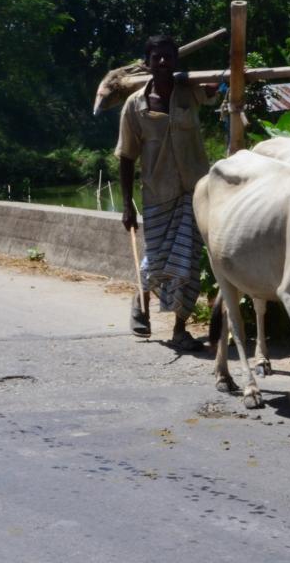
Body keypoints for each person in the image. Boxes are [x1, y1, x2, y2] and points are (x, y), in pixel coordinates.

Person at [115, 34, 219, 351]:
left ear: (176, 61)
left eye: (168, 57)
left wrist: (224, 84)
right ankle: (142, 298)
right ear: (147, 63)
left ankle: (179, 328)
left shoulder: (190, 92)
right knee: (158, 258)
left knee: (187, 262)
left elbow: (219, 92)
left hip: (196, 193)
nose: (162, 62)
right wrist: (127, 205)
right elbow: (126, 156)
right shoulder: (136, 105)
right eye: (156, 57)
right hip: (157, 195)